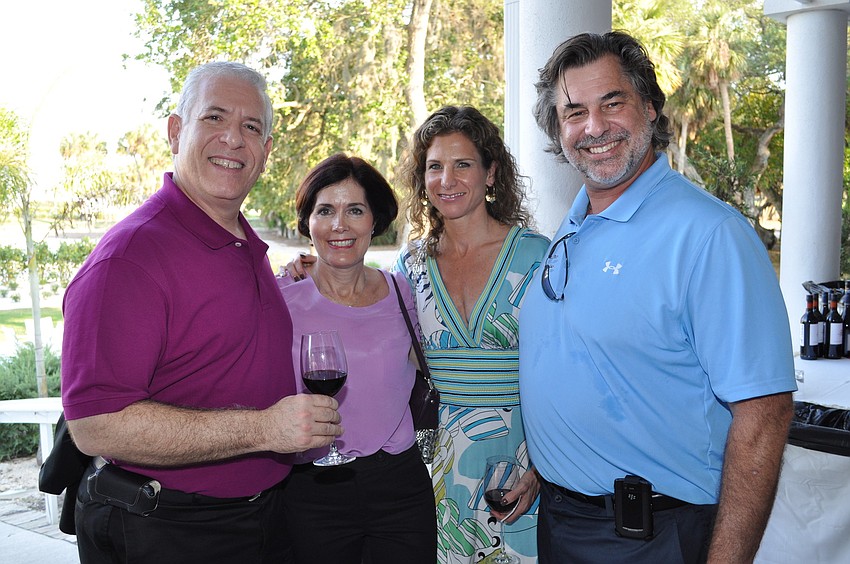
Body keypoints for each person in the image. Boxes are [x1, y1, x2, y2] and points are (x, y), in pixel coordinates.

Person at [519, 31, 797, 563]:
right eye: (574, 111)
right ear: (558, 129)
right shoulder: (575, 224)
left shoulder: (709, 234)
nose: (594, 127)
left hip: (653, 538)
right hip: (562, 524)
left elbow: (765, 411)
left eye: (612, 103)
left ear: (649, 106)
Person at [60, 61, 342, 564]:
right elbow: (97, 425)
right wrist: (265, 430)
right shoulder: (130, 258)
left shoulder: (244, 243)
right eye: (214, 118)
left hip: (263, 517)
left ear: (266, 151)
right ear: (175, 131)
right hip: (168, 528)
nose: (233, 139)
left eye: (251, 127)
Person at [396, 106, 549, 563]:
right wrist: (309, 277)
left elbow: (569, 371)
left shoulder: (538, 257)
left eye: (463, 164)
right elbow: (381, 348)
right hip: (438, 471)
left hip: (523, 463)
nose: (448, 179)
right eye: (435, 167)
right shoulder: (411, 265)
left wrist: (543, 469)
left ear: (490, 173)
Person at [277, 153, 436, 563]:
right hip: (312, 489)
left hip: (399, 484)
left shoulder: (403, 292)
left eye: (355, 210)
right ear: (308, 222)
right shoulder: (281, 300)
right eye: (325, 210)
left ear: (374, 221)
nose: (339, 225)